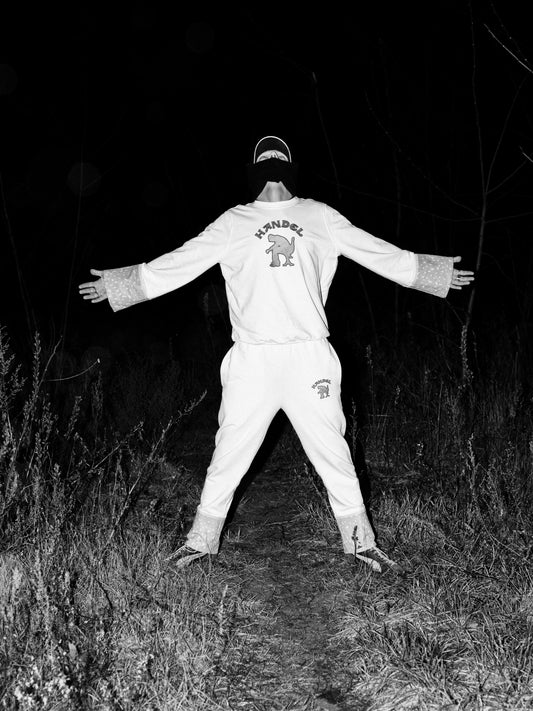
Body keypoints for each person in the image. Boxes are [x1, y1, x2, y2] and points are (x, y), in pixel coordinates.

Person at [79, 135, 474, 574]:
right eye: (263, 155)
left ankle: (361, 543)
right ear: (253, 168)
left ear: (289, 165)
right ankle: (199, 542)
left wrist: (433, 274)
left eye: (278, 154)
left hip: (309, 356)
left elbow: (376, 250)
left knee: (334, 452)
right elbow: (180, 262)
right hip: (253, 359)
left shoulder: (319, 215)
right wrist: (121, 285)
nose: (271, 159)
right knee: (229, 452)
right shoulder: (234, 222)